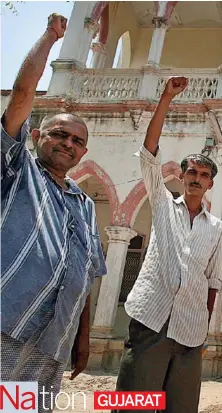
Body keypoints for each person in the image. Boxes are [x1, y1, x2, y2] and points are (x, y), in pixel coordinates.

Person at [0, 14, 107, 413]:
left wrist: (82, 339)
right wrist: (49, 38)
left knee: (24, 410)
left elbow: (87, 274)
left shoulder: (84, 203)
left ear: (83, 153)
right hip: (7, 323)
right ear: (35, 136)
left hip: (52, 342)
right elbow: (22, 94)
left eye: (77, 140)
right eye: (58, 134)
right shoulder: (18, 170)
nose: (67, 144)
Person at [114, 77, 222, 413]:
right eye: (192, 172)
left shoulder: (217, 228)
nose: (196, 179)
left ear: (210, 183)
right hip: (151, 320)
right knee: (136, 404)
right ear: (180, 175)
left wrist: (203, 328)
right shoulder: (163, 203)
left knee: (181, 406)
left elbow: (213, 282)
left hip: (190, 331)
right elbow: (149, 154)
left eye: (204, 175)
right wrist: (166, 98)